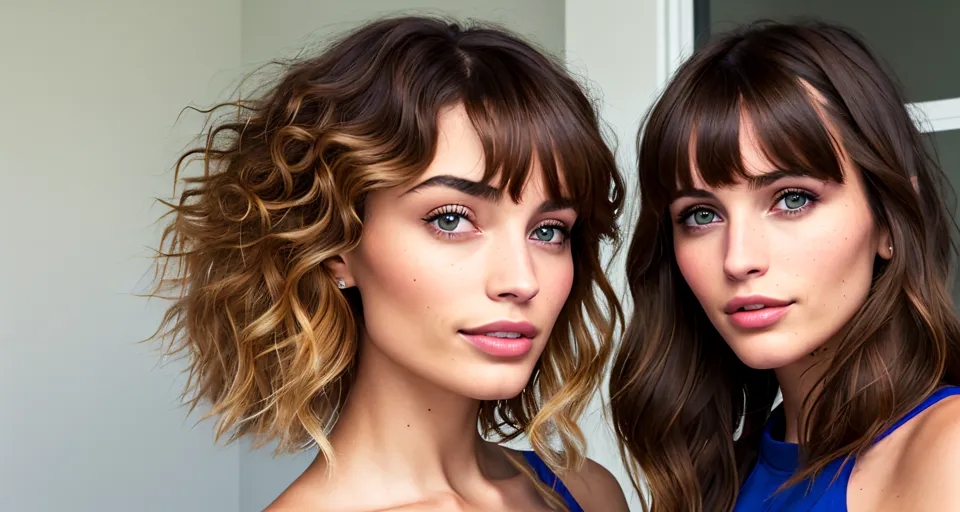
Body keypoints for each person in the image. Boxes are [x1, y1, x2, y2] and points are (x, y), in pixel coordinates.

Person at [148, 16, 629, 512]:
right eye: (451, 219)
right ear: (335, 246)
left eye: (548, 231)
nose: (521, 280)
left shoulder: (589, 494)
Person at [609, 20, 960, 512]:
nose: (739, 258)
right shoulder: (708, 483)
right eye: (701, 215)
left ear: (890, 219)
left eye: (792, 199)